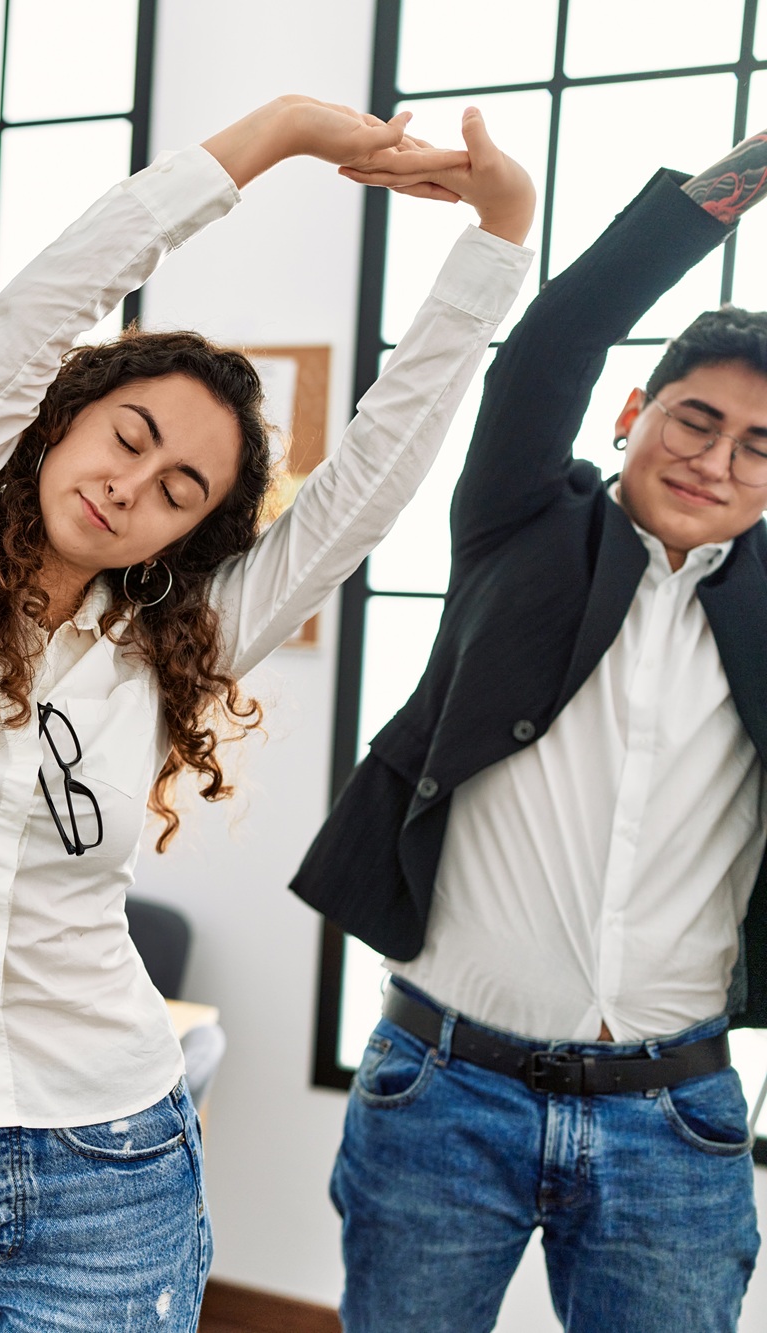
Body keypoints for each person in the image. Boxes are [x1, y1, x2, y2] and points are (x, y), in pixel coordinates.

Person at [0, 96, 536, 1330]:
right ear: (58, 419)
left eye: (178, 489)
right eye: (125, 437)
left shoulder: (165, 648)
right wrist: (279, 133)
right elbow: (32, 312)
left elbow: (365, 484)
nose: (129, 486)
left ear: (187, 533)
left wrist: (497, 236)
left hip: (106, 1168)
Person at [297, 124, 767, 1333]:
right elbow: (559, 334)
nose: (714, 460)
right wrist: (756, 164)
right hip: (441, 1094)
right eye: (693, 419)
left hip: (673, 1118)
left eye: (756, 447)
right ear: (631, 413)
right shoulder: (521, 522)